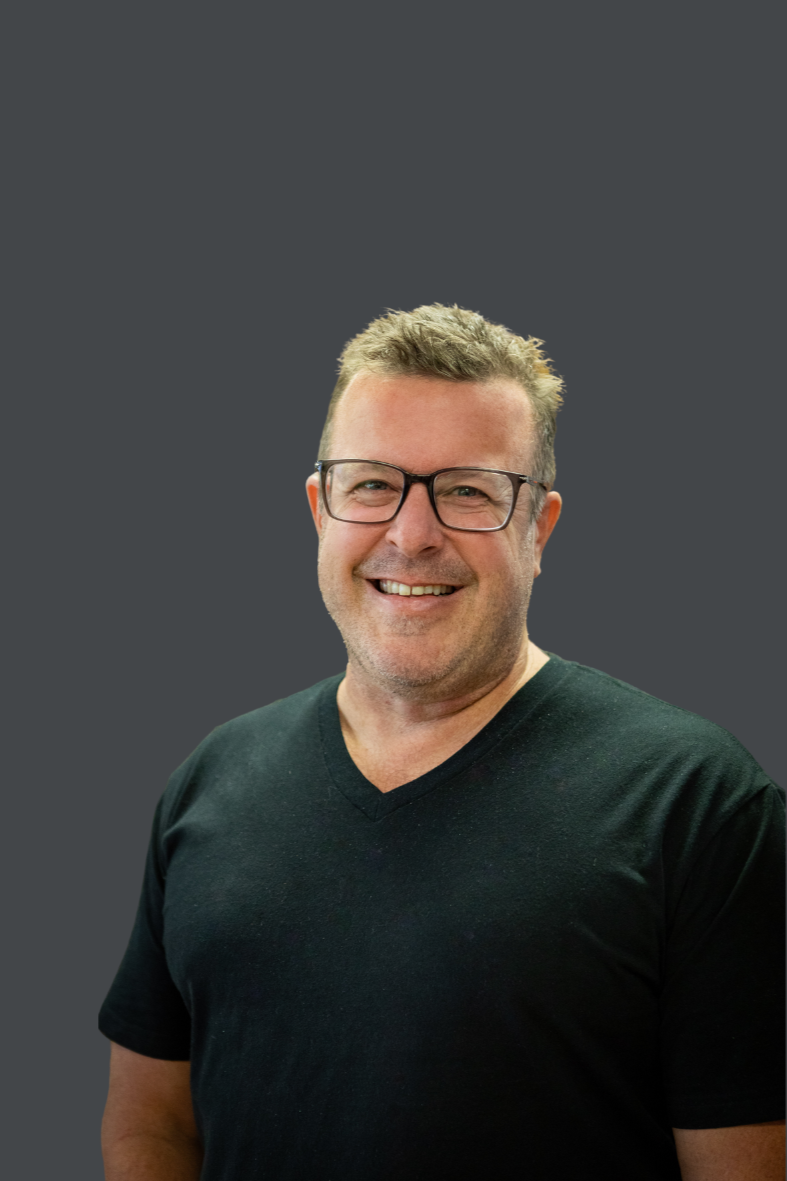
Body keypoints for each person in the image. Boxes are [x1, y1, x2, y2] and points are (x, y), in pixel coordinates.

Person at [99, 305, 785, 1180]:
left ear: (538, 527)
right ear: (320, 507)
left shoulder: (699, 805)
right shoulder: (210, 782)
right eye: (371, 482)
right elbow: (150, 1124)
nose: (412, 533)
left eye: (467, 490)